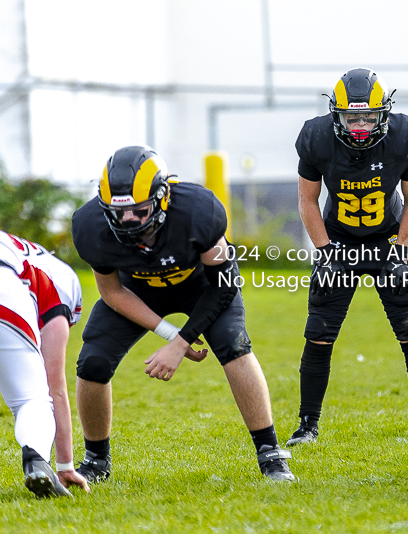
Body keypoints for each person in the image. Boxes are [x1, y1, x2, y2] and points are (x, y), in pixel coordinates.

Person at [70, 145, 295, 483]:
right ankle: (96, 460)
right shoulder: (90, 226)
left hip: (203, 285)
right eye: (119, 213)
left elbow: (224, 284)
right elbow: (112, 292)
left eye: (139, 210)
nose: (128, 220)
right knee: (93, 363)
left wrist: (182, 343)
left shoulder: (198, 210)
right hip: (138, 290)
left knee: (234, 346)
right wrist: (169, 334)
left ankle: (270, 453)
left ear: (162, 198)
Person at [286, 67, 408, 446]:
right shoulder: (317, 138)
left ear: (383, 113)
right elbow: (307, 201)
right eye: (352, 116)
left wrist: (402, 248)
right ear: (336, 114)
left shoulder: (403, 137)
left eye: (368, 116)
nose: (360, 125)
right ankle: (307, 425)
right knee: (319, 333)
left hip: (390, 239)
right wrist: (324, 252)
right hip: (337, 240)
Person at [0, 230, 89, 498]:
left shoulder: (18, 249)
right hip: (3, 286)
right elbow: (55, 387)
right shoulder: (57, 284)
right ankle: (37, 461)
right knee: (32, 399)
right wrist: (66, 465)